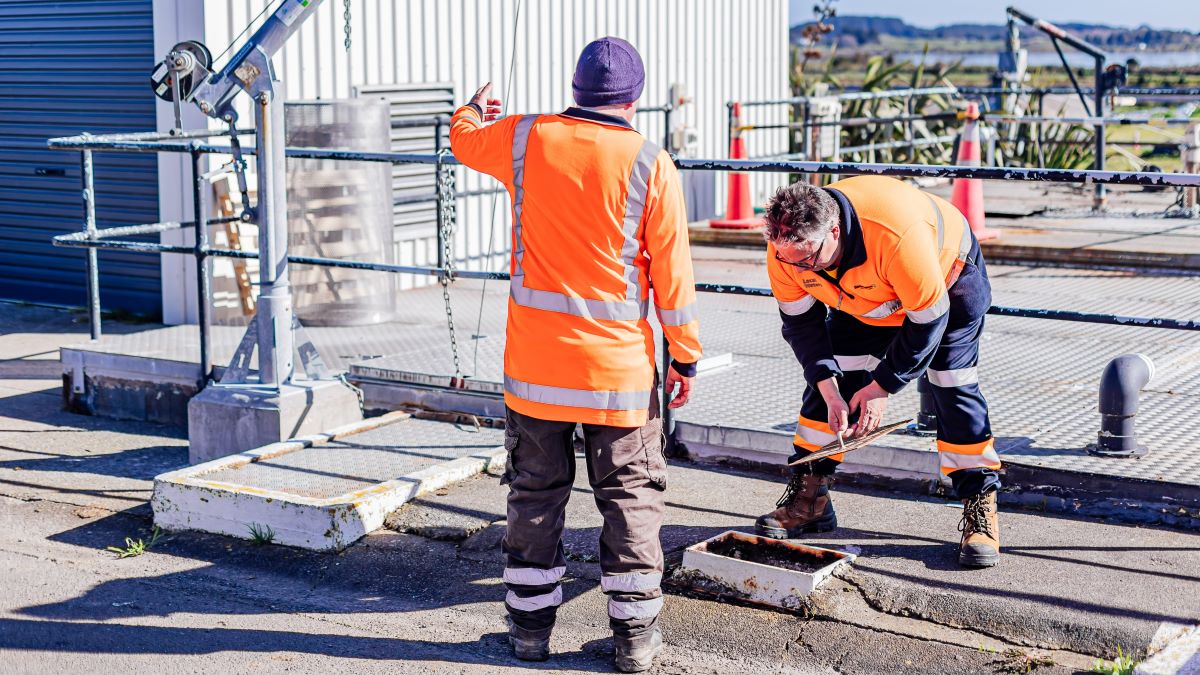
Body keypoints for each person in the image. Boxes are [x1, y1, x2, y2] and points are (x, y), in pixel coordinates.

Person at [449, 36, 702, 672]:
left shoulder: (526, 138)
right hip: (618, 375)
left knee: (534, 495)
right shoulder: (651, 162)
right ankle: (635, 641)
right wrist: (685, 358)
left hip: (535, 373)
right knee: (630, 498)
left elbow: (461, 140)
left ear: (574, 86)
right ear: (635, 99)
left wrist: (474, 109)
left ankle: (530, 635)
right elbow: (672, 277)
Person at [753, 176, 1002, 568]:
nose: (799, 268)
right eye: (788, 259)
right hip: (864, 297)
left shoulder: (896, 236)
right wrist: (828, 384)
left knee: (951, 386)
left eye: (808, 259)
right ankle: (810, 499)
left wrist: (883, 385)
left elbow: (927, 320)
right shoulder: (788, 248)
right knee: (828, 386)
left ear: (833, 231)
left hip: (946, 287)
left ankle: (979, 509)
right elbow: (802, 325)